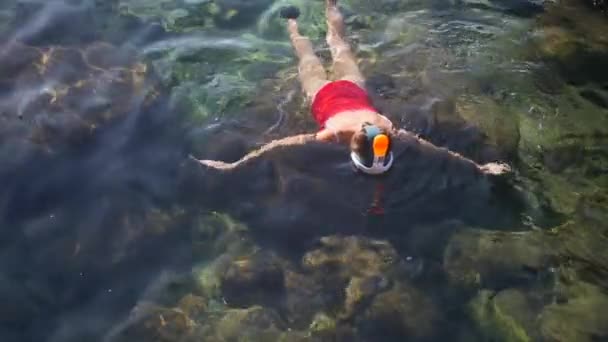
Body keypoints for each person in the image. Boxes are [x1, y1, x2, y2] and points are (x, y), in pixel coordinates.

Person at [194, 0, 511, 177]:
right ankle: (298, 20)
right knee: (312, 54)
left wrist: (236, 165)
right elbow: (439, 152)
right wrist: (480, 168)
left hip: (352, 88)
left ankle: (303, 16)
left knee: (337, 46)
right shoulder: (336, 136)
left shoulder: (389, 129)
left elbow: (275, 147)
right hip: (324, 95)